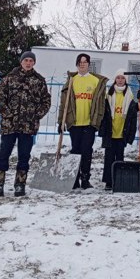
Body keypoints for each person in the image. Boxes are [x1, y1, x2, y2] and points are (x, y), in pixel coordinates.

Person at [0, 50, 51, 197]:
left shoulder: (39, 80)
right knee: (3, 155)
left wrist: (36, 115)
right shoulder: (9, 78)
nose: (28, 63)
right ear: (21, 62)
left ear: (34, 63)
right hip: (9, 125)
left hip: (28, 126)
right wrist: (7, 114)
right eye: (26, 60)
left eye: (31, 61)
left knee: (24, 157)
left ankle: (20, 185)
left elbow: (46, 101)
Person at [58, 52, 108, 189]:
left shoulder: (95, 81)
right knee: (75, 150)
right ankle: (74, 179)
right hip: (74, 122)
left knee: (87, 151)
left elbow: (101, 104)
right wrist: (61, 121)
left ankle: (85, 178)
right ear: (77, 64)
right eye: (80, 62)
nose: (82, 64)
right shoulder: (72, 80)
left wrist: (99, 120)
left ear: (89, 64)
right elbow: (64, 103)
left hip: (89, 123)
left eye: (85, 62)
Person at [98, 70, 139, 190]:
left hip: (122, 132)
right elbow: (103, 113)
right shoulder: (109, 95)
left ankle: (118, 179)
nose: (120, 80)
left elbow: (132, 117)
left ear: (125, 80)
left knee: (120, 158)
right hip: (110, 131)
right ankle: (108, 181)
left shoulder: (129, 96)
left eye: (122, 78)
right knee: (109, 158)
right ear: (115, 79)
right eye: (118, 78)